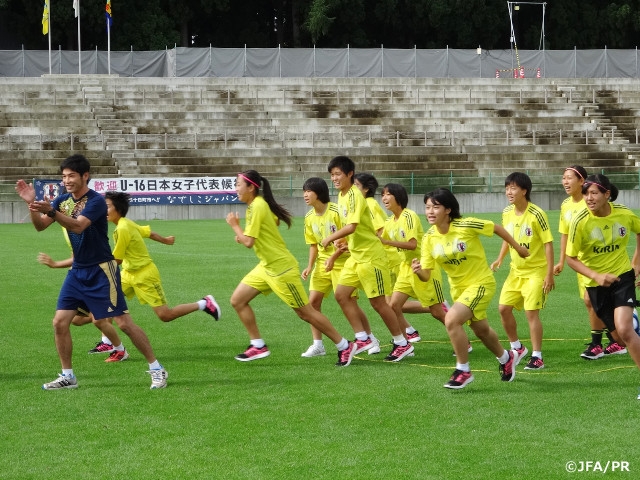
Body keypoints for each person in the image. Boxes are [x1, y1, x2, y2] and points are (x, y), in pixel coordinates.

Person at [15, 153, 168, 390]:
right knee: (60, 322)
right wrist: (31, 204)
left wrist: (53, 212)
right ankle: (68, 376)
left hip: (101, 271)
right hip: (77, 272)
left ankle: (157, 369)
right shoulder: (63, 201)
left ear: (85, 176)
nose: (67, 180)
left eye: (72, 176)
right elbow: (40, 226)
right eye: (64, 176)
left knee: (124, 323)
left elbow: (78, 226)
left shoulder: (96, 201)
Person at [225, 170, 357, 366]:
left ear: (251, 187)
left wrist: (235, 226)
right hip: (266, 267)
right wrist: (245, 234)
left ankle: (344, 345)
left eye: (238, 184)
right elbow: (273, 222)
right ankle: (257, 344)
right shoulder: (256, 206)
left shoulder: (258, 205)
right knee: (237, 300)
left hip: (282, 269)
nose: (236, 188)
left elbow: (249, 242)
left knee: (306, 312)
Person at [412, 187, 529, 389]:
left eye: (435, 207)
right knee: (481, 330)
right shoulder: (429, 237)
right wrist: (418, 271)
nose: (430, 211)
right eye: (427, 207)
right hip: (459, 290)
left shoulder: (466, 225)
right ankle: (506, 358)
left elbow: (497, 228)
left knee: (451, 319)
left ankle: (463, 370)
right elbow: (426, 274)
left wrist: (517, 248)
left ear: (448, 210)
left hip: (481, 283)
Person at [320, 156, 413, 362]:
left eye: (338, 174)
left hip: (371, 256)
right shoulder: (342, 196)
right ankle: (363, 338)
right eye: (332, 175)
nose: (334, 178)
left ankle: (402, 343)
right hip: (356, 255)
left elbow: (353, 226)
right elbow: (354, 228)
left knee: (379, 303)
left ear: (350, 174)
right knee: (342, 295)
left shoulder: (354, 195)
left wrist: (331, 237)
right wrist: (342, 242)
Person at [105, 191, 220, 348]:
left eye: (107, 207)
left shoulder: (123, 228)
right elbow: (148, 233)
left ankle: (203, 304)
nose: (103, 210)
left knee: (165, 315)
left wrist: (93, 265)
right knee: (108, 301)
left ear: (118, 208)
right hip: (128, 274)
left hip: (145, 275)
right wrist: (165, 240)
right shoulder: (126, 223)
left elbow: (116, 260)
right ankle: (108, 343)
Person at [565, 174, 640, 399]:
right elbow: (571, 259)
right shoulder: (580, 221)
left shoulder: (624, 214)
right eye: (586, 193)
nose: (589, 197)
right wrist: (595, 276)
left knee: (625, 330)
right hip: (596, 286)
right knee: (619, 338)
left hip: (622, 278)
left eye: (594, 193)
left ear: (607, 194)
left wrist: (636, 263)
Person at [552, 165, 625, 359]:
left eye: (569, 178)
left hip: (597, 261)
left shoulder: (591, 203)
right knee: (592, 303)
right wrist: (561, 261)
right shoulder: (566, 205)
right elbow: (565, 234)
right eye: (563, 178)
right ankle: (614, 339)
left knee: (591, 300)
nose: (565, 181)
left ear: (582, 181)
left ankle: (598, 343)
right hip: (578, 262)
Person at [299, 177, 372, 358]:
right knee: (312, 302)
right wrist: (309, 266)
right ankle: (318, 345)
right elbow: (313, 245)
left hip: (343, 262)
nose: (305, 195)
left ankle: (369, 338)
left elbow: (347, 238)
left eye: (309, 191)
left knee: (350, 302)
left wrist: (333, 257)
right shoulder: (308, 217)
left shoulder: (336, 211)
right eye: (304, 191)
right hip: (322, 265)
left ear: (319, 192)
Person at [490, 172, 554, 370]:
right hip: (515, 271)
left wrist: (549, 274)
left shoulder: (537, 214)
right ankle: (517, 347)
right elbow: (508, 238)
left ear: (524, 191)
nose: (509, 191)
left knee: (531, 313)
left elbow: (548, 244)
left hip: (536, 272)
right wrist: (500, 258)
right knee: (503, 309)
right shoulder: (507, 212)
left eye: (513, 188)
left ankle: (537, 356)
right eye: (507, 187)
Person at [378, 183, 448, 347]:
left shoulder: (409, 216)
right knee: (393, 305)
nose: (384, 198)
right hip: (406, 267)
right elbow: (381, 242)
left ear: (398, 196)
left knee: (437, 311)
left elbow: (412, 244)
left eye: (388, 194)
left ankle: (463, 341)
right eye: (382, 194)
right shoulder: (390, 222)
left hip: (423, 265)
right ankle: (403, 345)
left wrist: (386, 241)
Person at [37, 246, 129, 362]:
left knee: (100, 320)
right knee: (76, 320)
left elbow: (88, 256)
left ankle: (119, 350)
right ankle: (106, 319)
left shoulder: (84, 229)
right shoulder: (69, 231)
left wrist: (55, 264)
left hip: (97, 276)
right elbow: (76, 256)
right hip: (79, 277)